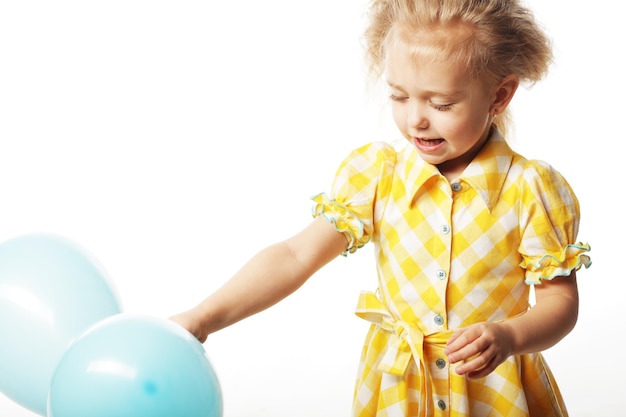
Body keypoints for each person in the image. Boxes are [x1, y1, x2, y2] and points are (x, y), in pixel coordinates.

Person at [170, 0, 591, 415]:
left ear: (499, 95)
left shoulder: (529, 190)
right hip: (399, 390)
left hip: (493, 394)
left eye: (441, 104)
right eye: (399, 96)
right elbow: (296, 256)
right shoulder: (378, 176)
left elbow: (559, 304)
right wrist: (202, 318)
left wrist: (509, 336)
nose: (416, 120)